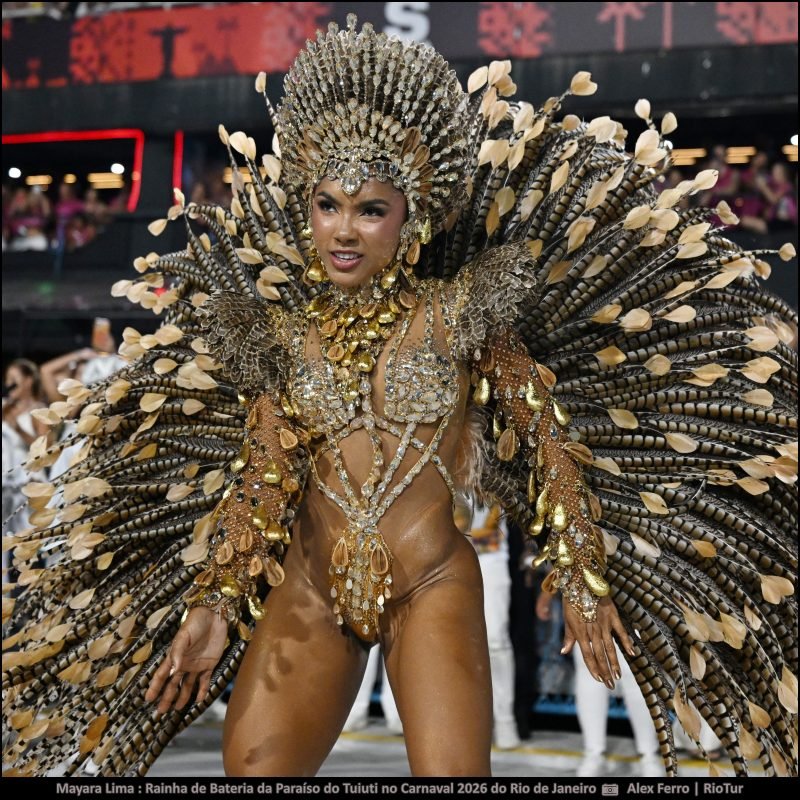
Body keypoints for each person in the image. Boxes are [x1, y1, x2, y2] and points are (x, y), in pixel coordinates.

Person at [3, 17, 796, 780]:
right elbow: (261, 478)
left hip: (431, 585)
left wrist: (583, 577)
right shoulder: (282, 336)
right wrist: (216, 603)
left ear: (411, 219)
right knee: (252, 767)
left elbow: (545, 436)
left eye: (371, 209)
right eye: (328, 205)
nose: (345, 229)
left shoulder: (460, 315)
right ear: (306, 208)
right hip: (309, 591)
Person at [536, 591, 663, 777]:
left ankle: (649, 754)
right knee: (591, 672)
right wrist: (547, 592)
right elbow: (563, 561)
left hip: (633, 586)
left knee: (638, 673)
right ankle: (593, 753)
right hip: (584, 591)